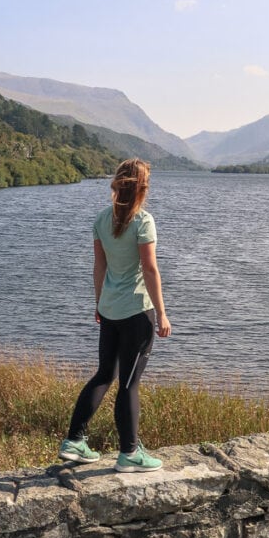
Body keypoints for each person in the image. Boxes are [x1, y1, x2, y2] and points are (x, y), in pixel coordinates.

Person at [59, 158, 171, 471]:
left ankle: (74, 441)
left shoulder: (100, 220)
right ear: (142, 188)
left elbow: (99, 267)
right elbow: (149, 268)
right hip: (137, 312)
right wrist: (161, 313)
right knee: (129, 384)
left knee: (105, 374)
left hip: (109, 311)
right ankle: (130, 453)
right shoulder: (143, 222)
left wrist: (98, 303)